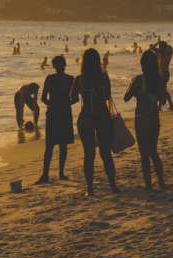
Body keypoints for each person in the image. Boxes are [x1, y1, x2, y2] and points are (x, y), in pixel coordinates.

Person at [71, 48, 119, 196]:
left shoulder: (79, 79)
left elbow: (72, 99)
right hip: (103, 117)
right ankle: (112, 185)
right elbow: (108, 96)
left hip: (86, 118)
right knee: (106, 154)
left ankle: (90, 189)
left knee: (89, 155)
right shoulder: (104, 77)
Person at [124, 51, 168, 190]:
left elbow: (126, 98)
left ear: (142, 65)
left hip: (141, 119)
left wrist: (134, 87)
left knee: (144, 153)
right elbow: (164, 101)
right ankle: (161, 182)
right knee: (153, 151)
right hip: (154, 118)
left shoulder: (138, 80)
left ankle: (148, 184)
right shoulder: (159, 80)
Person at [36, 56, 74, 184]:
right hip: (65, 113)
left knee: (49, 145)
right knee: (63, 145)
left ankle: (45, 174)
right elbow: (75, 99)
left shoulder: (50, 79)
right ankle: (61, 173)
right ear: (65, 65)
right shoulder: (70, 79)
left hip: (53, 113)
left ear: (54, 66)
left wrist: (52, 104)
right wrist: (65, 103)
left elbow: (43, 98)